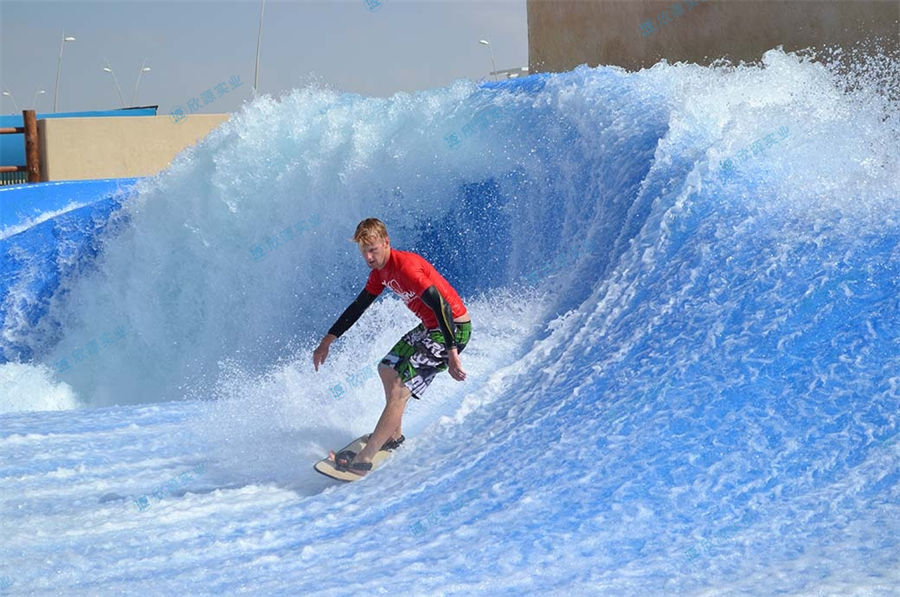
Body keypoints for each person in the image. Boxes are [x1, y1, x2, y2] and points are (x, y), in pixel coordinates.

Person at [312, 218, 472, 477]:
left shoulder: (406, 267)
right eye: (364, 251)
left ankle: (366, 457)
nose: (368, 256)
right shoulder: (379, 274)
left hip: (452, 328)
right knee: (387, 368)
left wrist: (452, 353)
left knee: (399, 389)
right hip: (431, 327)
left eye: (373, 249)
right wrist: (327, 340)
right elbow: (358, 306)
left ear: (386, 243)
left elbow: (441, 305)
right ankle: (393, 436)